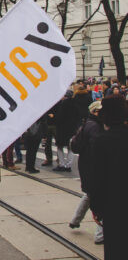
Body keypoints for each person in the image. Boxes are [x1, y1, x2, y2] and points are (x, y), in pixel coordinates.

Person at [89, 95, 128, 260]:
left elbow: (97, 179)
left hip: (113, 204)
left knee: (115, 249)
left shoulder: (101, 141)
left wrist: (96, 207)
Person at [69, 100, 104, 244]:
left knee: (90, 194)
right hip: (93, 166)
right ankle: (100, 235)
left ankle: (75, 219)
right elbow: (98, 148)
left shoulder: (87, 124)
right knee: (101, 198)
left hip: (86, 166)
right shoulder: (95, 127)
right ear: (95, 112)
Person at [53, 90, 76, 172]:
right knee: (70, 148)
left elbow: (60, 117)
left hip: (62, 128)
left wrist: (54, 117)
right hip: (72, 129)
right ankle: (68, 165)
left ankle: (62, 164)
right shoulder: (75, 104)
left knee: (60, 147)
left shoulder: (63, 104)